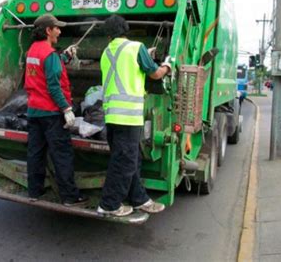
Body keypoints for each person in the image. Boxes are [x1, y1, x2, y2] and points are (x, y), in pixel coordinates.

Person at [97, 15, 171, 217]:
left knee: (131, 159)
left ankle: (139, 199)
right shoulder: (135, 48)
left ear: (108, 33)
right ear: (126, 29)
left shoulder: (106, 52)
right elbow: (155, 74)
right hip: (128, 117)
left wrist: (144, 55)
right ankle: (109, 204)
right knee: (124, 163)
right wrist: (167, 66)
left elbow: (123, 66)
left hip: (112, 116)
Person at [24, 14, 87, 207]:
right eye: (57, 28)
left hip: (34, 110)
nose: (60, 31)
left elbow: (44, 70)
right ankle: (69, 196)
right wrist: (66, 108)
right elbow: (53, 86)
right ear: (48, 30)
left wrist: (64, 56)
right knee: (62, 155)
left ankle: (34, 191)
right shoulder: (49, 54)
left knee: (35, 152)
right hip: (51, 113)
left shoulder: (33, 51)